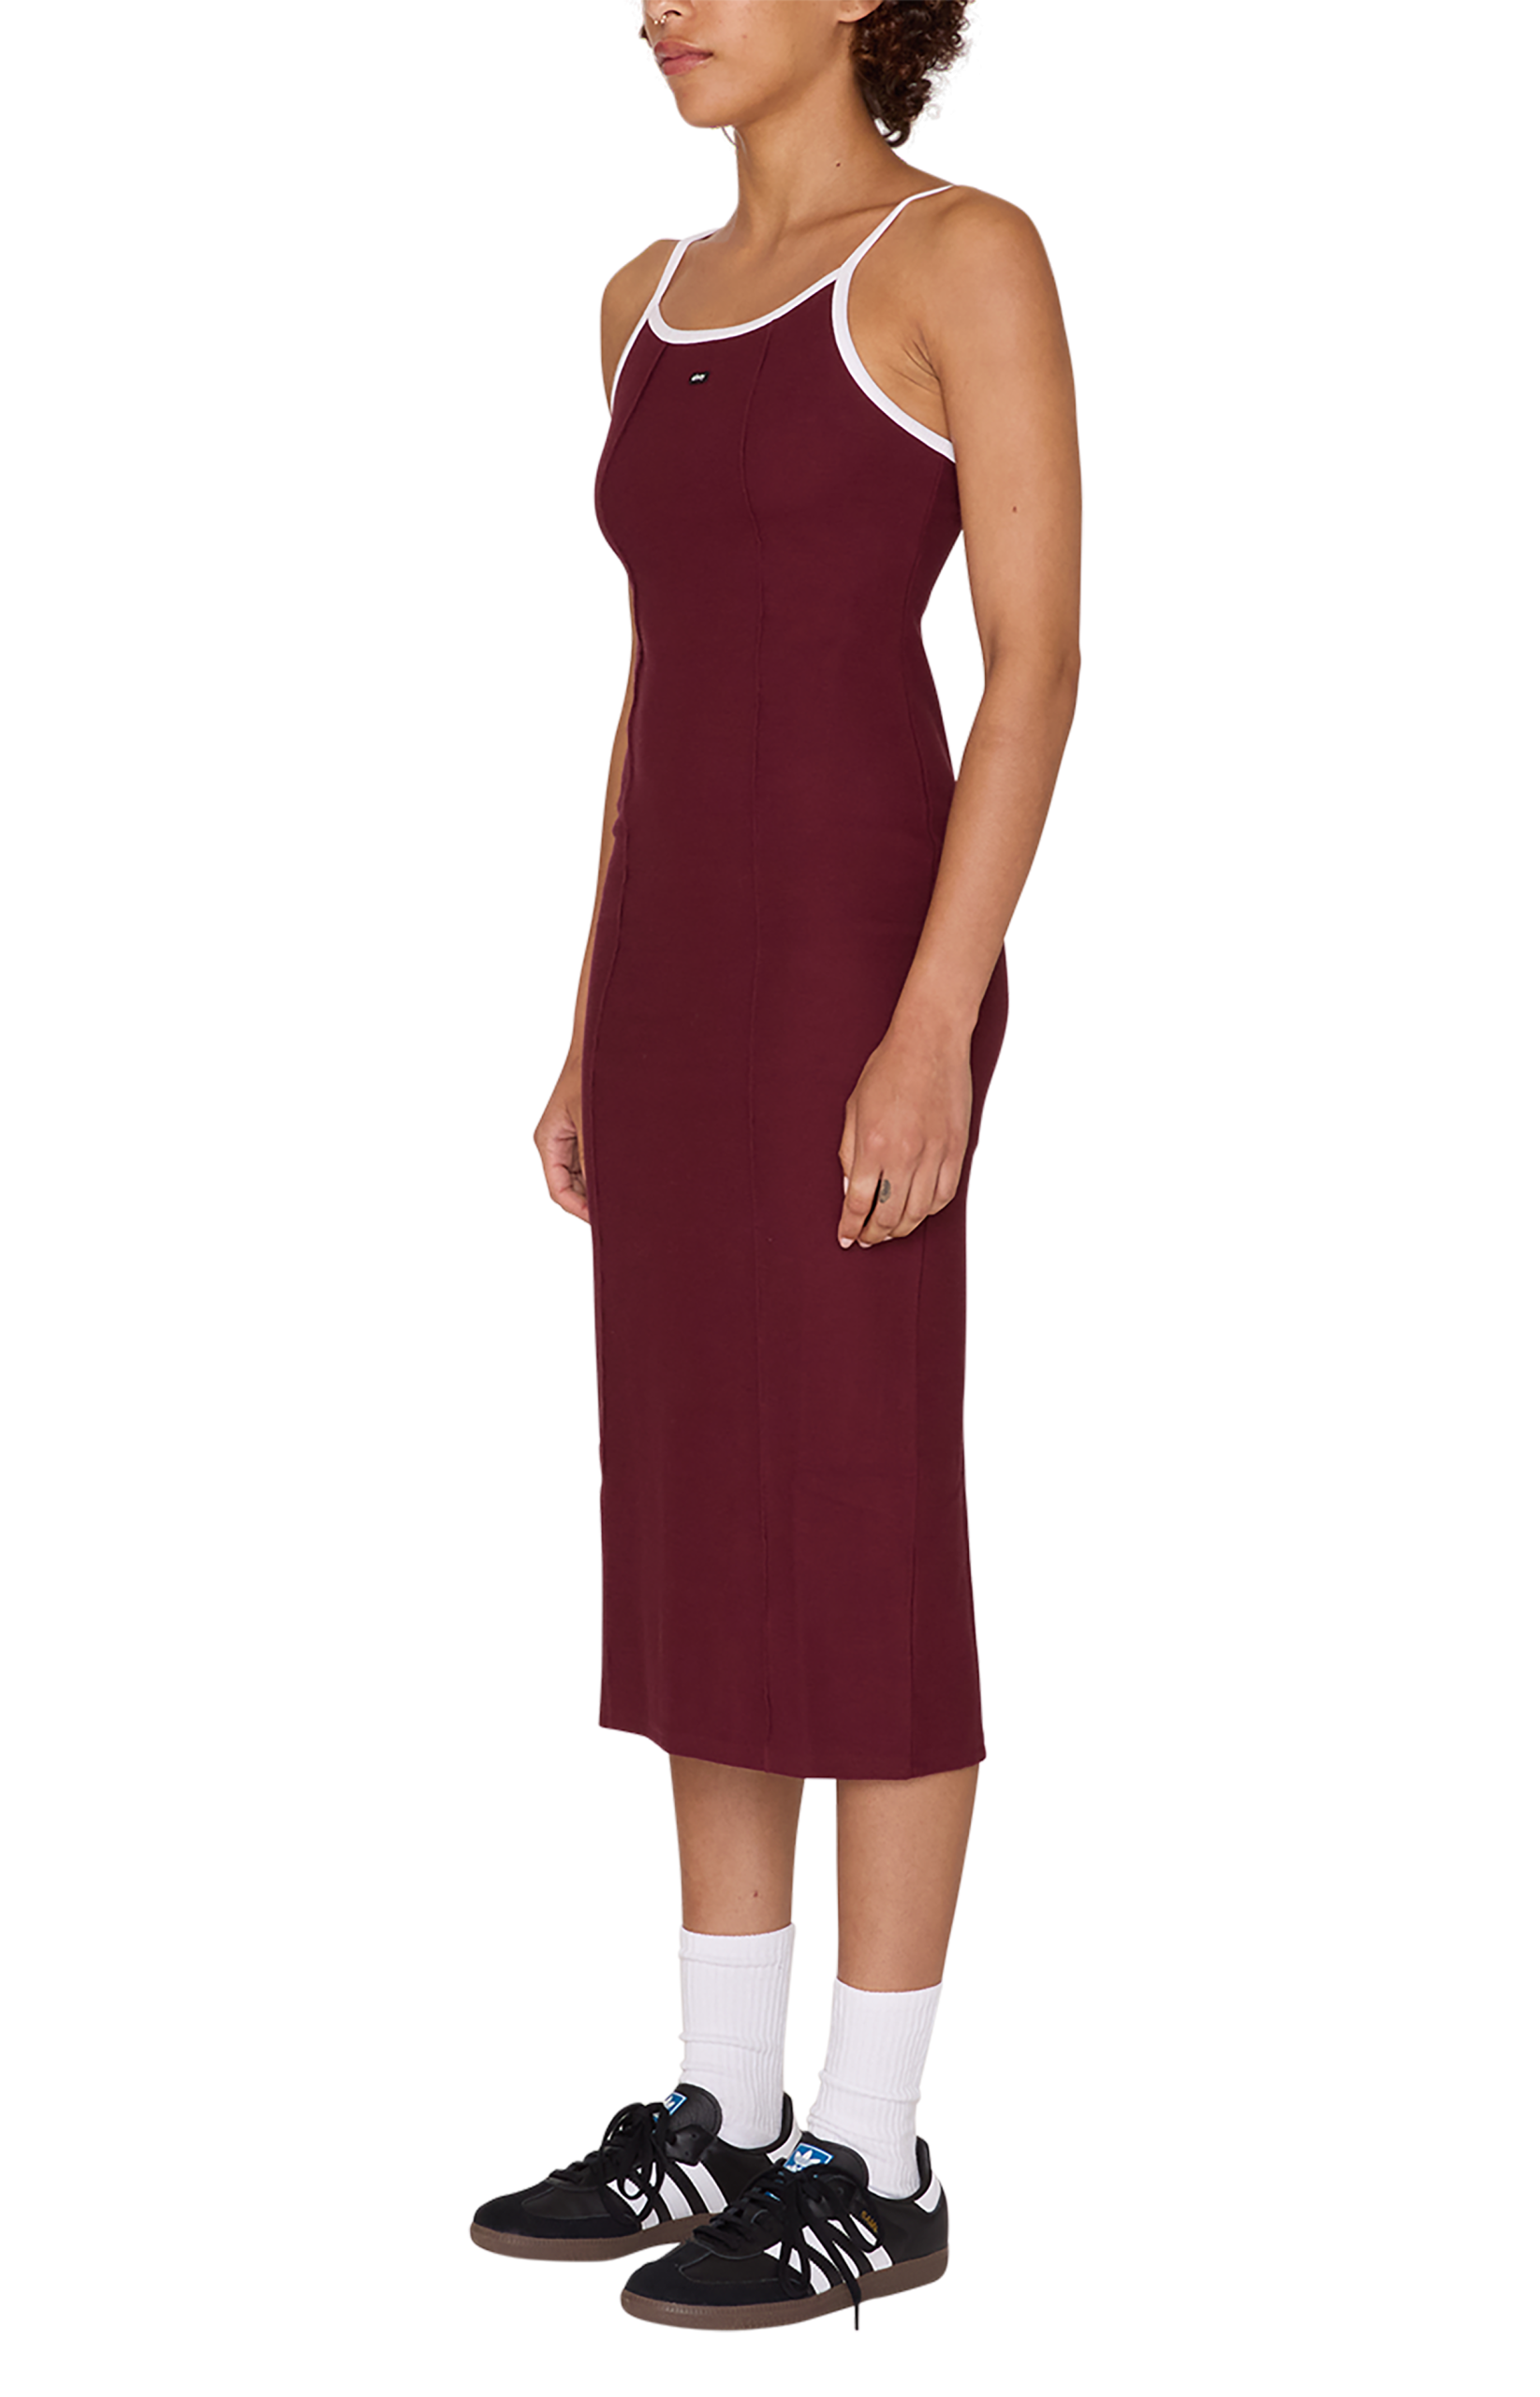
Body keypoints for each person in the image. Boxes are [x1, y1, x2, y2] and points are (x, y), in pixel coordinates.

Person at [479, 0, 1081, 2334]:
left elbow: (1031, 658)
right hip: (670, 989)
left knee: (852, 1509)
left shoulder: (960, 252)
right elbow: (648, 686)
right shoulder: (634, 298)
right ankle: (721, 2099)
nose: (669, 2)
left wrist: (933, 1017)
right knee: (691, 1521)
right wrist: (579, 1024)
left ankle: (878, 2144)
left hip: (859, 960)